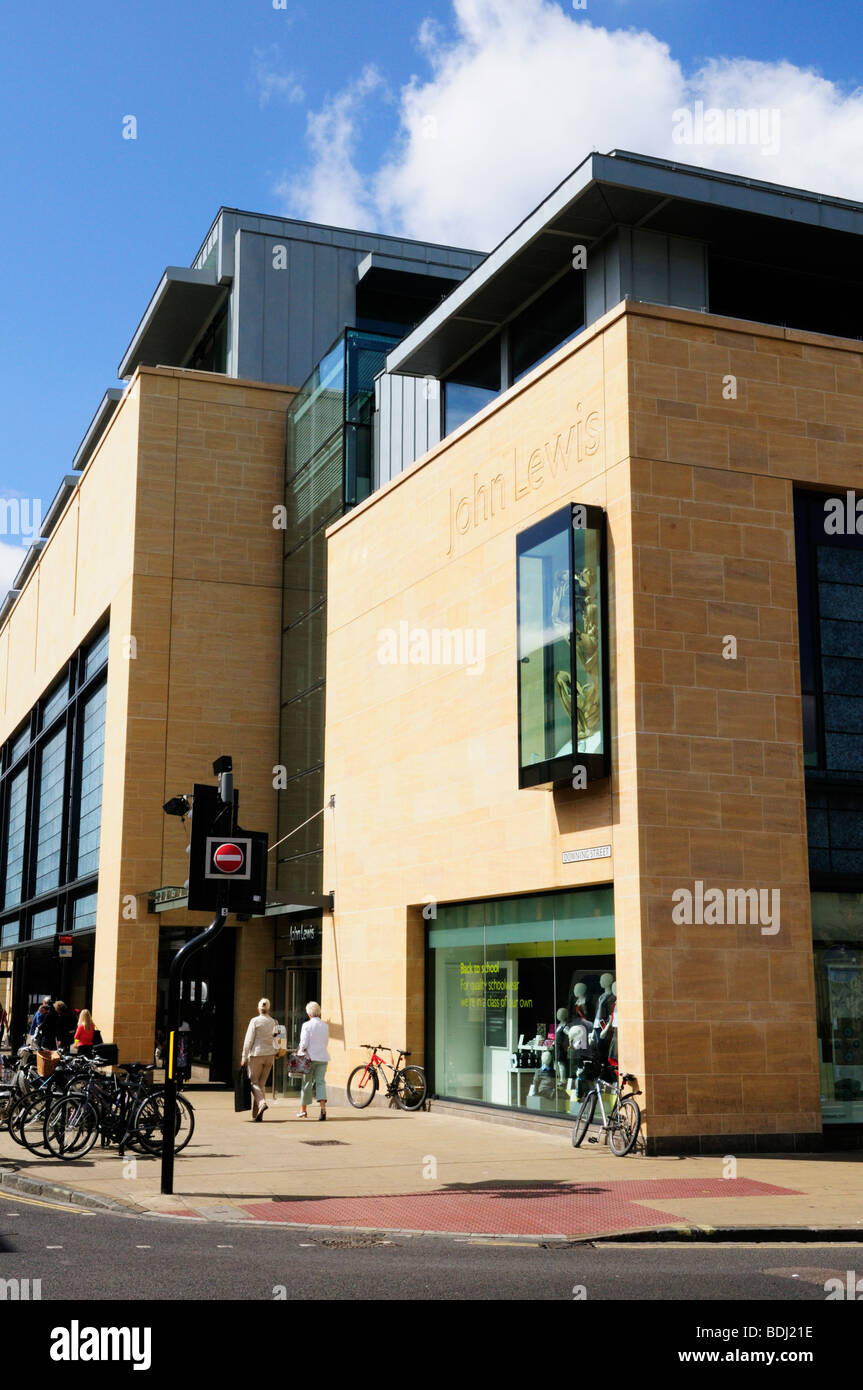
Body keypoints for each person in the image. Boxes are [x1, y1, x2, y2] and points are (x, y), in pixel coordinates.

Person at [240, 998, 280, 1121]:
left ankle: (262, 1103)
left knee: (253, 1083)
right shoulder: (275, 1022)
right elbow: (278, 1039)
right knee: (261, 1084)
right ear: (268, 1009)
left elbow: (248, 1040)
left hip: (256, 1055)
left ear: (258, 1009)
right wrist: (277, 1052)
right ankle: (256, 1115)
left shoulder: (255, 1021)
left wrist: (243, 1056)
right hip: (270, 1056)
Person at [296, 1001, 330, 1121]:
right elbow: (326, 1042)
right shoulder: (325, 1025)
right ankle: (323, 1109)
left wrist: (300, 1050)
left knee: (306, 1083)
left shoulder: (306, 1025)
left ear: (309, 1013)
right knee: (321, 1082)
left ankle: (303, 1110)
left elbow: (304, 1043)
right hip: (323, 1057)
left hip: (309, 1058)